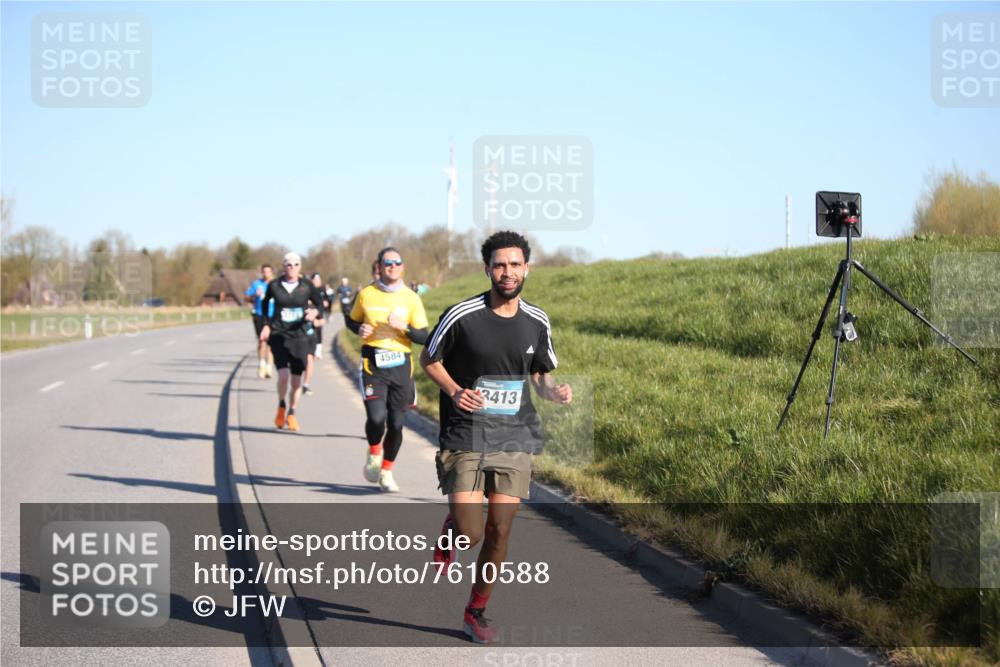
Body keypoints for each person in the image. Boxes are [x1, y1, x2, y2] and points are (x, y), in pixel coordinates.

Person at [420, 230, 572, 644]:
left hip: (513, 436)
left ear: (527, 268)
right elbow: (428, 358)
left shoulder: (536, 320)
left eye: (515, 264)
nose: (508, 272)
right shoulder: (461, 315)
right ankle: (455, 526)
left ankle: (476, 611)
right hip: (465, 432)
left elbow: (539, 372)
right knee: (471, 534)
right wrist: (455, 391)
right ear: (487, 268)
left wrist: (551, 391)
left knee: (500, 532)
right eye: (499, 265)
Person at [345, 247, 429, 492]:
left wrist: (404, 327)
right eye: (387, 262)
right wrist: (358, 329)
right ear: (379, 267)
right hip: (373, 363)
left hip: (401, 365)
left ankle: (387, 471)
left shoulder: (411, 298)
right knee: (376, 417)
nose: (392, 266)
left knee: (396, 424)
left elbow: (424, 336)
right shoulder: (366, 294)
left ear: (403, 267)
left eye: (397, 262)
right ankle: (374, 452)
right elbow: (352, 320)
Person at [259, 253, 325, 432]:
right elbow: (265, 305)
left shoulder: (306, 286)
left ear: (300, 267)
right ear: (283, 266)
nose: (292, 268)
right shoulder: (275, 285)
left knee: (296, 382)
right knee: (283, 376)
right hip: (280, 334)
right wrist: (266, 325)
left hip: (300, 336)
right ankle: (281, 405)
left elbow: (320, 304)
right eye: (289, 265)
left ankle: (292, 413)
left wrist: (314, 313)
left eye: (296, 264)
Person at [301, 272, 331, 395]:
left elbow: (322, 313)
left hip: (311, 333)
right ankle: (297, 381)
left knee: (309, 359)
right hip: (297, 334)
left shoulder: (317, 296)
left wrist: (319, 320)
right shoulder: (297, 299)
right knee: (300, 361)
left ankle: (306, 384)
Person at [246, 264, 275, 378]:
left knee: (272, 343)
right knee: (262, 341)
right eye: (264, 272)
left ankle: (269, 367)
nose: (266, 274)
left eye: (268, 271)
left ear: (272, 272)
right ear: (262, 273)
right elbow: (246, 297)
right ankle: (262, 364)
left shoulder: (276, 284)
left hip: (273, 316)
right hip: (260, 315)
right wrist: (254, 295)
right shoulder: (256, 284)